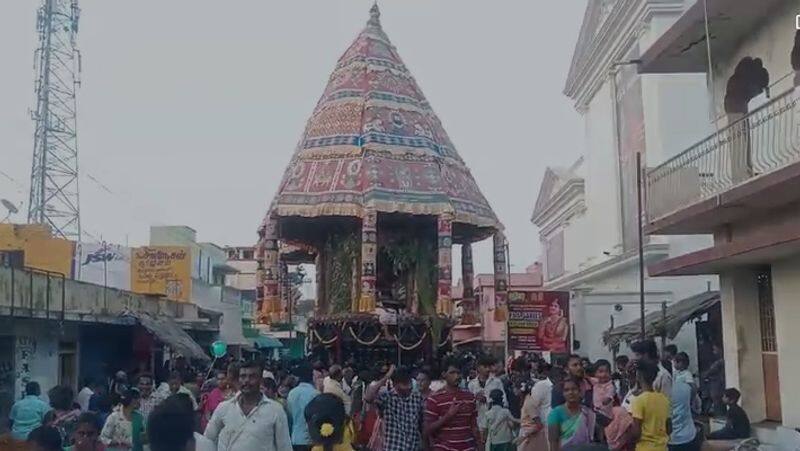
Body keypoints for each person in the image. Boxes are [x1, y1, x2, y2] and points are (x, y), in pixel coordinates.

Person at [204, 360, 292, 451]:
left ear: (260, 380)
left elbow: (284, 446)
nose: (246, 381)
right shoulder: (224, 408)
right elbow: (207, 439)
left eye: (252, 377)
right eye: (243, 376)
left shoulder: (275, 410)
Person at [424, 360, 481, 451]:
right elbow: (428, 429)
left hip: (468, 448)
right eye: (452, 373)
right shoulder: (434, 399)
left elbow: (474, 426)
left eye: (458, 373)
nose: (457, 376)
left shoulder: (469, 397)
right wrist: (448, 416)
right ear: (444, 374)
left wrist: (480, 446)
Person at [370, 368, 425, 451]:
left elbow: (422, 424)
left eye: (409, 382)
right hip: (393, 448)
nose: (408, 387)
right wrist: (386, 377)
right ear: (396, 384)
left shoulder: (418, 398)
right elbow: (368, 397)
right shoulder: (387, 397)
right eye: (404, 383)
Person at [630, 361, 671, 451]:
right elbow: (669, 428)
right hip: (662, 448)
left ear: (638, 376)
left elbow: (636, 433)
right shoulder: (664, 399)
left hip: (644, 448)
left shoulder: (638, 400)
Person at [547, 377, 597, 451]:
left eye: (574, 389)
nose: (571, 392)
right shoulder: (555, 414)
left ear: (580, 391)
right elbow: (553, 442)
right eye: (566, 390)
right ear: (563, 394)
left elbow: (591, 439)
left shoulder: (587, 412)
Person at [518, 364, 556, 451]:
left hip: (532, 433)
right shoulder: (527, 402)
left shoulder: (530, 402)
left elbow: (538, 424)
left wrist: (524, 436)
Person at [468, 355, 507, 434]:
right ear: (478, 368)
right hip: (478, 423)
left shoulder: (497, 382)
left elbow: (505, 402)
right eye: (485, 367)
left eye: (489, 367)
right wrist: (475, 399)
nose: (488, 369)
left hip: (494, 424)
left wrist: (488, 400)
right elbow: (468, 406)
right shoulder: (471, 384)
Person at [287, 364, 319, 451]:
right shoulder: (315, 394)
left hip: (295, 438)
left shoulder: (292, 393)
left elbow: (290, 414)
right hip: (310, 439)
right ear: (311, 377)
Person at [668, 372, 697, 451]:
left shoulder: (658, 392)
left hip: (670, 440)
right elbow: (696, 406)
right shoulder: (686, 387)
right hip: (689, 436)